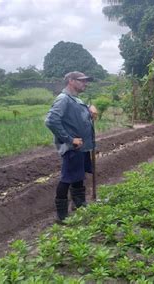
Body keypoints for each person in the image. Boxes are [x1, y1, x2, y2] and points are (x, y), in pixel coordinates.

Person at [45, 71, 97, 223]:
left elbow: (77, 115)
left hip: (82, 147)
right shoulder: (63, 99)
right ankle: (62, 216)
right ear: (71, 81)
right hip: (72, 147)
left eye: (86, 81)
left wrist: (90, 110)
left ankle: (79, 204)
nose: (85, 84)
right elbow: (51, 121)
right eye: (82, 81)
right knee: (67, 178)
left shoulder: (75, 99)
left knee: (78, 175)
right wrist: (69, 139)